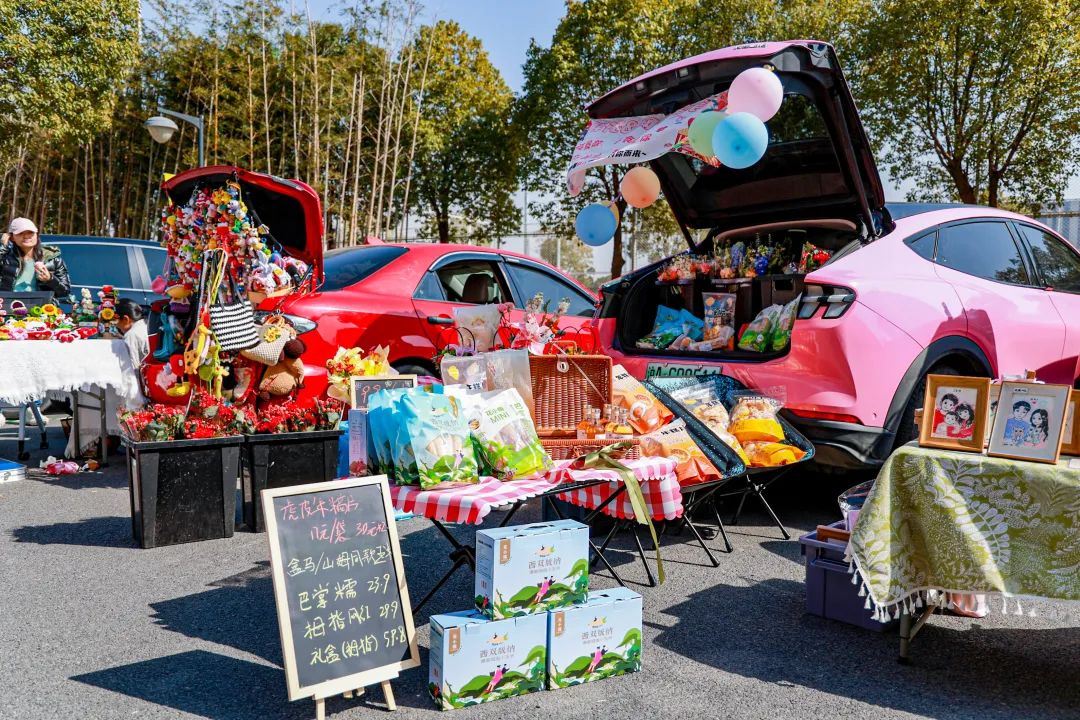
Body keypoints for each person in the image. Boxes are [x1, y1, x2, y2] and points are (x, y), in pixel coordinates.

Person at [0, 217, 71, 299]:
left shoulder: (53, 259)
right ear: (11, 237)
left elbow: (65, 291)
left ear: (37, 235)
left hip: (43, 309)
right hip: (9, 307)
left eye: (30, 232)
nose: (26, 236)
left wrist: (50, 279)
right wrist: (3, 246)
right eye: (20, 233)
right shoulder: (5, 257)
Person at [115, 298, 149, 369]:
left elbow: (132, 368)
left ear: (125, 319)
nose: (117, 327)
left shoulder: (131, 335)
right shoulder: (147, 324)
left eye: (116, 323)